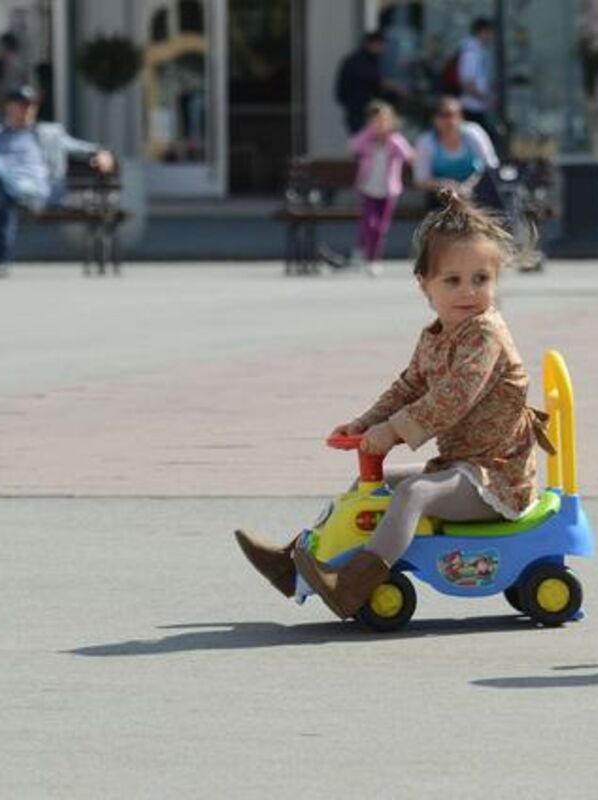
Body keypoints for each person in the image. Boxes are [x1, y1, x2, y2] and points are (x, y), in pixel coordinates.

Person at [235, 189, 553, 619]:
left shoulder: (485, 335)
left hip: (497, 477)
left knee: (414, 494)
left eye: (481, 279)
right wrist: (366, 423)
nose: (468, 292)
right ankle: (297, 566)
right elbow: (408, 386)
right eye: (453, 280)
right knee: (374, 482)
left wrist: (394, 431)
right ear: (425, 284)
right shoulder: (436, 335)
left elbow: (453, 398)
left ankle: (352, 586)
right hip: (461, 465)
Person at [0, 86, 114, 277]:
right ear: (8, 107)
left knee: (3, 195)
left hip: (35, 193)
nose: (27, 110)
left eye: (31, 105)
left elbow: (83, 148)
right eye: (21, 105)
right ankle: (12, 195)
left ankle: (1, 260)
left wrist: (101, 153)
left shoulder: (51, 134)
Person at [348, 100, 415, 273]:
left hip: (388, 191)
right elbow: (353, 146)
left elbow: (409, 157)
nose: (380, 125)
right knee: (369, 223)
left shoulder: (395, 141)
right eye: (375, 121)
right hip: (368, 189)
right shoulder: (367, 139)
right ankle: (361, 250)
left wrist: (395, 142)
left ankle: (373, 259)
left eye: (383, 121)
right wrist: (368, 132)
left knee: (380, 227)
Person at [413, 96, 499, 207]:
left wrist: (469, 186)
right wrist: (446, 185)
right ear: (434, 119)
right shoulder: (425, 141)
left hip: (476, 195)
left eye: (455, 115)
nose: (451, 120)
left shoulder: (474, 133)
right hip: (442, 200)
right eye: (445, 115)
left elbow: (491, 165)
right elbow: (421, 180)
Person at [335, 32, 401, 135]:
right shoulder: (359, 62)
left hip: (361, 111)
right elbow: (374, 81)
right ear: (371, 44)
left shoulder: (364, 61)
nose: (382, 49)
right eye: (380, 45)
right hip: (360, 112)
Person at [456, 17, 500, 147]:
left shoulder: (480, 51)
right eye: (490, 32)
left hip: (479, 107)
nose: (492, 37)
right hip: (472, 107)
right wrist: (486, 99)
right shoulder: (471, 53)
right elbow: (467, 83)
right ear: (482, 32)